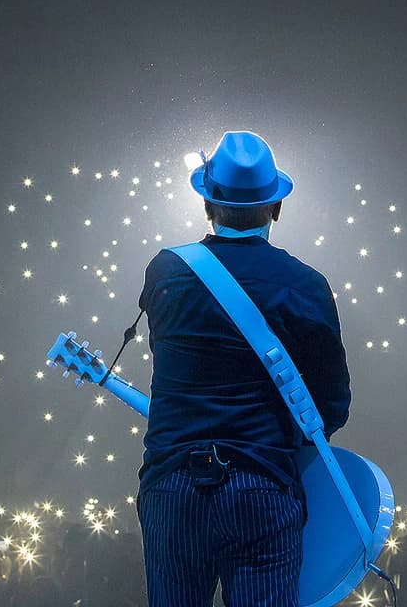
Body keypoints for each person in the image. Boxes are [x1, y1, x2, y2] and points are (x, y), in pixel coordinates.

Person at [135, 131, 351, 607]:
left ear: (208, 206)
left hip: (172, 486)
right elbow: (331, 404)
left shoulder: (165, 271)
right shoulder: (306, 285)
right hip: (262, 487)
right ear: (275, 208)